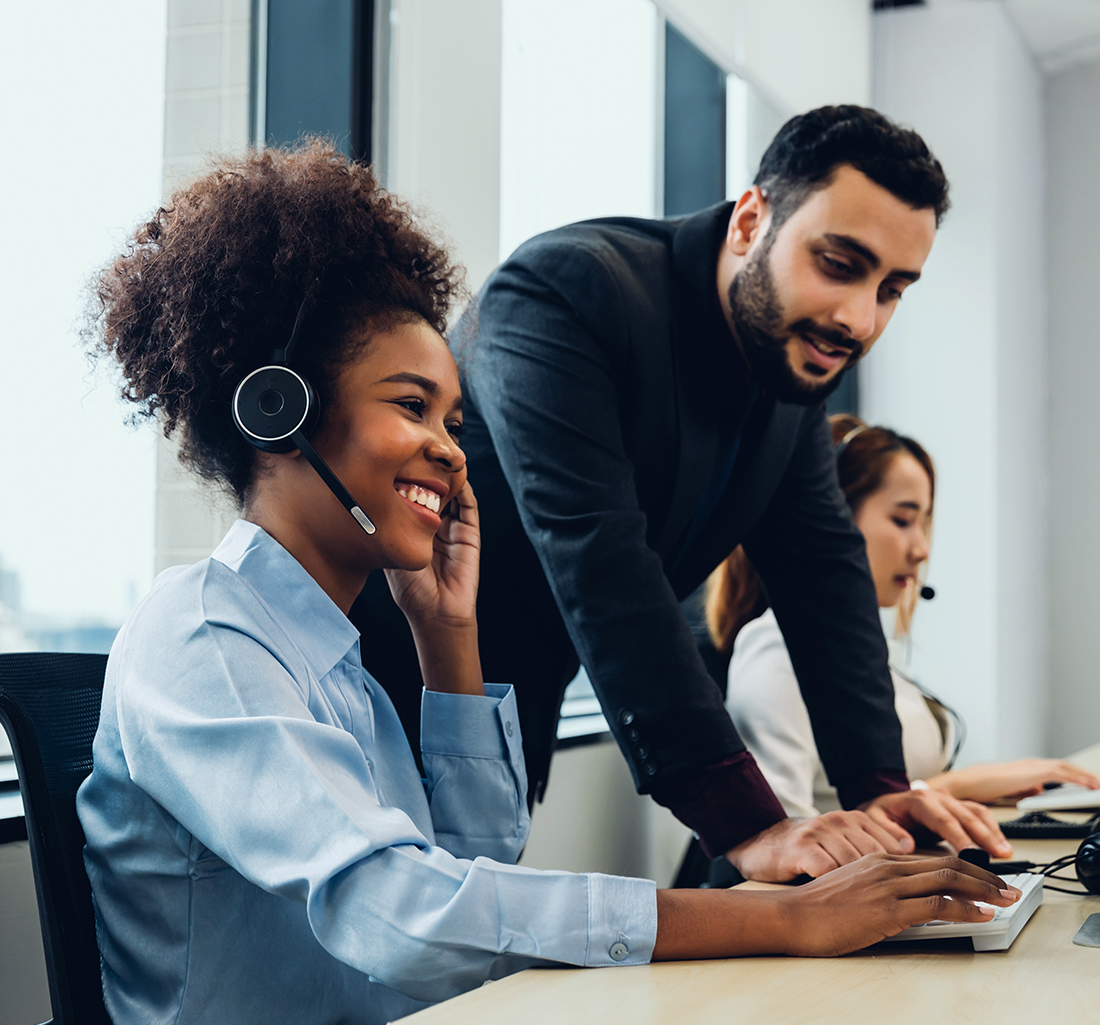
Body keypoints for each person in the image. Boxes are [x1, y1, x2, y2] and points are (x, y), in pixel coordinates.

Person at [77, 143, 1019, 1025]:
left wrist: (449, 642)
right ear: (278, 409)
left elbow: (471, 874)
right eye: (414, 407)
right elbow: (397, 914)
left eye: (453, 413)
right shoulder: (204, 633)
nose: (453, 448)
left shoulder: (344, 666)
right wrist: (777, 917)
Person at [352, 104, 1012, 881]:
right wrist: (749, 827)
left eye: (893, 289)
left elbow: (825, 573)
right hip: (372, 696)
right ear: (751, 220)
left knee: (453, 977)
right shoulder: (565, 291)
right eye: (839, 264)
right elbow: (601, 555)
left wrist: (880, 788)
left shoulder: (788, 373)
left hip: (513, 707)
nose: (859, 319)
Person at [721, 414, 1100, 818]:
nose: (921, 550)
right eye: (902, 520)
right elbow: (791, 842)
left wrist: (964, 788)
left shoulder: (865, 650)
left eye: (924, 523)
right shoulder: (778, 649)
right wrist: (953, 787)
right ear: (830, 521)